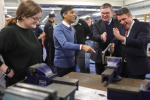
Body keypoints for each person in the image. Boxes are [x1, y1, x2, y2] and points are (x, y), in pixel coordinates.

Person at [0, 0, 42, 87]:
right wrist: (7, 70)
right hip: (18, 84)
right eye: (34, 18)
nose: (37, 21)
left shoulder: (29, 29)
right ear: (23, 16)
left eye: (38, 19)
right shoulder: (9, 32)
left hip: (33, 81)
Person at [53, 5, 96, 77]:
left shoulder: (72, 29)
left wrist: (74, 54)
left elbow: (74, 43)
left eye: (74, 12)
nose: (75, 14)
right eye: (71, 12)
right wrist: (82, 46)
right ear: (64, 15)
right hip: (61, 65)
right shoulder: (58, 28)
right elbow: (64, 44)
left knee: (72, 85)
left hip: (72, 64)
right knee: (63, 86)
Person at [109, 7, 150, 80]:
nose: (122, 22)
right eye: (120, 20)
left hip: (137, 67)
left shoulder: (143, 26)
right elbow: (115, 39)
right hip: (123, 67)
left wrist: (122, 38)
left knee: (135, 90)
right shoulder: (121, 28)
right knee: (123, 89)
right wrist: (112, 44)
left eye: (124, 19)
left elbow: (140, 42)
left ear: (130, 16)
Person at [90, 3, 121, 75]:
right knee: (100, 77)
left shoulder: (118, 23)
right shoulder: (96, 24)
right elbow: (95, 36)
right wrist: (101, 36)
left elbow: (121, 36)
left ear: (112, 13)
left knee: (115, 76)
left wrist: (114, 43)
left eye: (107, 13)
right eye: (102, 13)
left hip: (115, 54)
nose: (104, 15)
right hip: (101, 56)